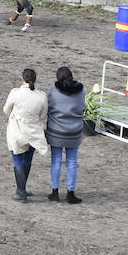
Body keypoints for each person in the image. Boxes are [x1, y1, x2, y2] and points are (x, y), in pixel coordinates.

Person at [3, 68, 49, 202]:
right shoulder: (42, 96)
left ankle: (21, 191)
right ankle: (22, 188)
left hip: (17, 130)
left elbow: (6, 110)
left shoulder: (15, 93)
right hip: (34, 132)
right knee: (27, 161)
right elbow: (43, 116)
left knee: (17, 160)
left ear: (22, 79)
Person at [45, 67, 86, 204]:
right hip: (74, 133)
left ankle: (55, 192)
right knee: (72, 162)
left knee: (56, 161)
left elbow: (47, 109)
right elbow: (82, 108)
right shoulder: (80, 93)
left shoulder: (52, 93)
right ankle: (70, 193)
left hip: (56, 132)